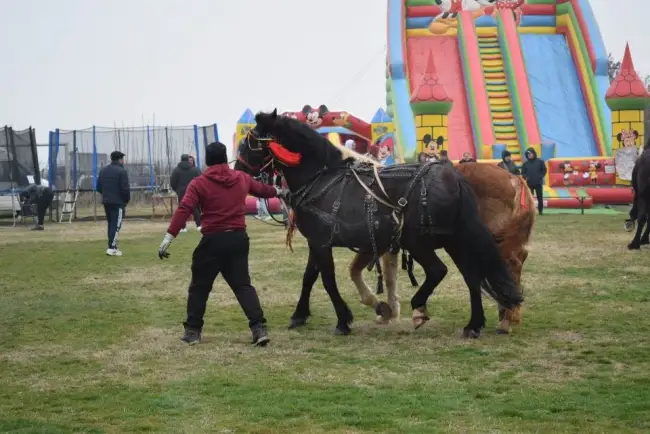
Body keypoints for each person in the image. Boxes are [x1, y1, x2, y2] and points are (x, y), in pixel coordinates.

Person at [157, 141, 290, 346]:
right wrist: (279, 192)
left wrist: (169, 237)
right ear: (225, 156)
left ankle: (193, 331)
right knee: (243, 286)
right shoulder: (241, 178)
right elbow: (262, 190)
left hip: (213, 241)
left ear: (208, 161)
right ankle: (258, 328)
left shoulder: (199, 183)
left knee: (200, 287)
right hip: (238, 238)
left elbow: (184, 209)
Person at [96, 151, 130, 256]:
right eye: (122, 159)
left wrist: (106, 195)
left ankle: (111, 246)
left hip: (107, 202)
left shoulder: (103, 171)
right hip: (118, 203)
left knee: (111, 224)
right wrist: (126, 200)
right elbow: (125, 189)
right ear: (120, 159)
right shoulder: (122, 171)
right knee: (116, 226)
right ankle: (112, 248)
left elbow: (98, 187)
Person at [170, 154, 202, 232]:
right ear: (188, 159)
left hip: (181, 192)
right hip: (193, 191)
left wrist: (177, 190)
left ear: (181, 159)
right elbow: (201, 180)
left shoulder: (176, 170)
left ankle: (183, 227)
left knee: (183, 210)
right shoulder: (195, 169)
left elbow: (172, 182)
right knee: (195, 209)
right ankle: (199, 225)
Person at [521, 147, 546, 215]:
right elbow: (523, 173)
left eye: (530, 154)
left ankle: (540, 211)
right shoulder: (525, 164)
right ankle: (530, 211)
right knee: (529, 199)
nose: (529, 155)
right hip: (529, 184)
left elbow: (544, 170)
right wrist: (526, 177)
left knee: (540, 198)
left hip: (538, 183)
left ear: (534, 153)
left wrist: (540, 176)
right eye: (528, 154)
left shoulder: (540, 162)